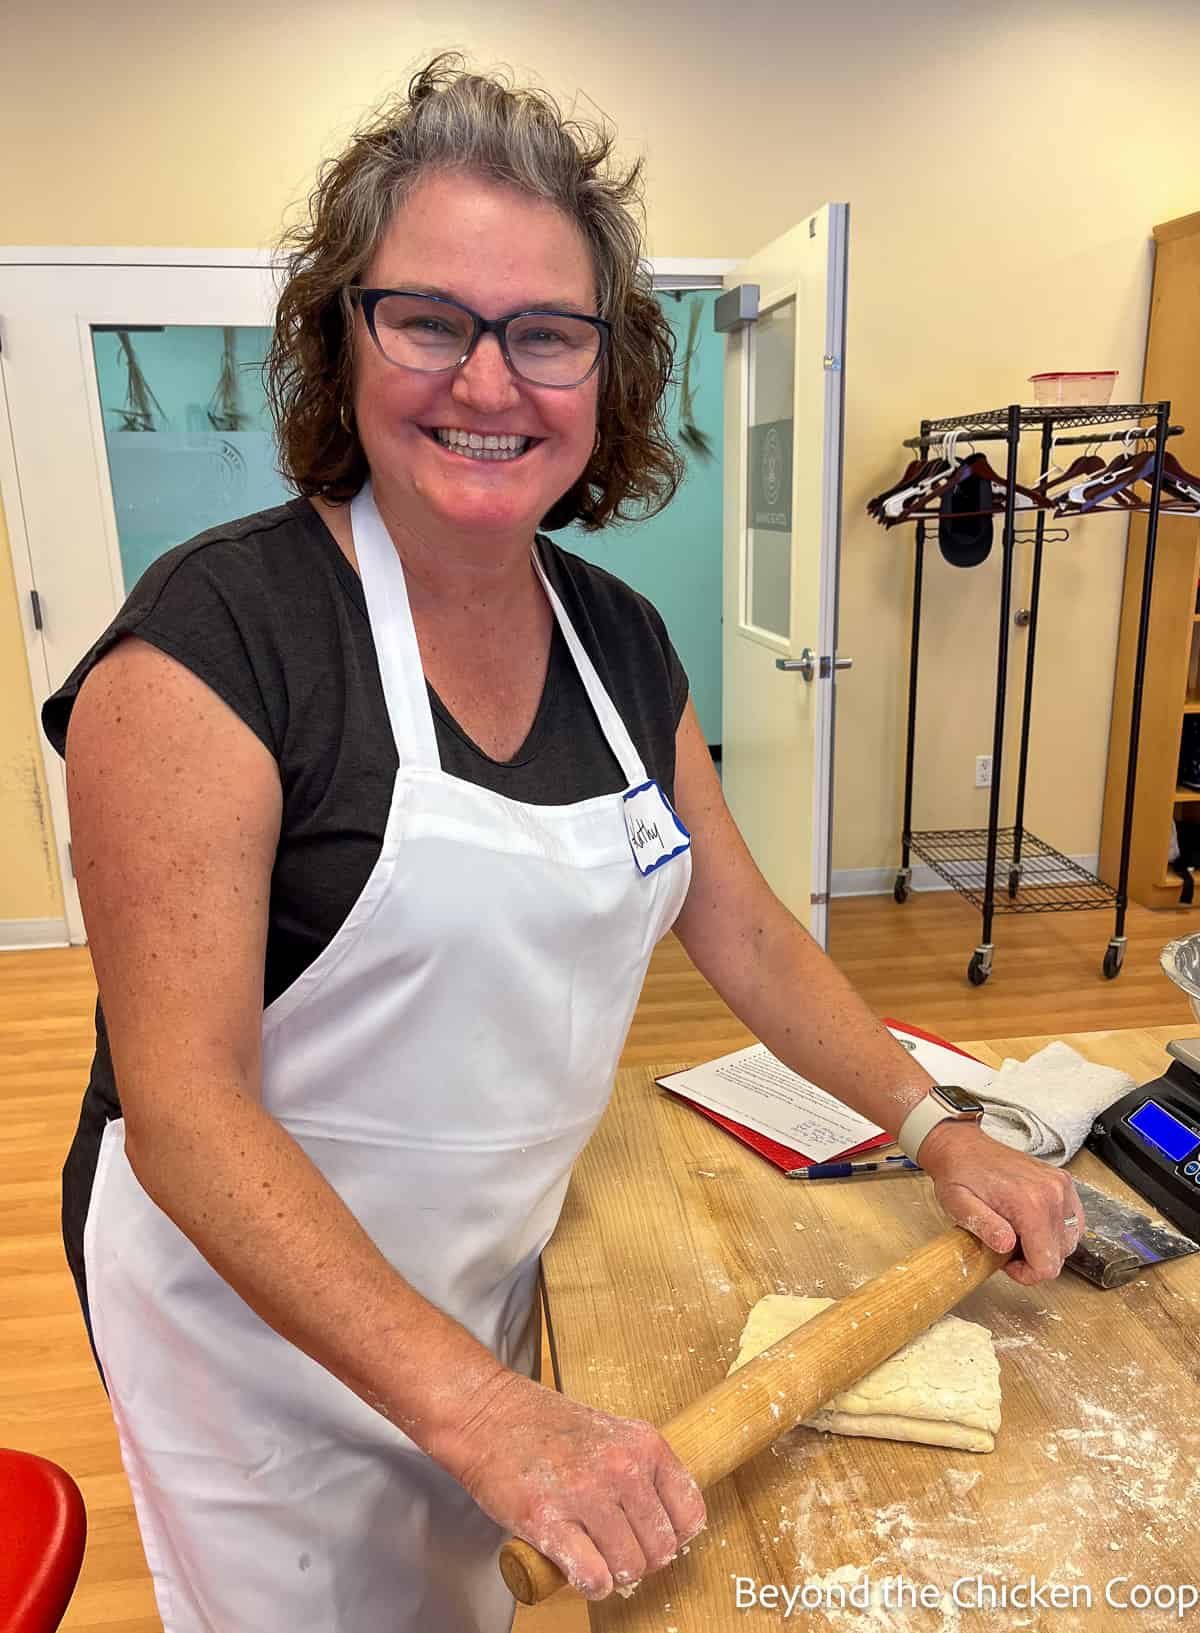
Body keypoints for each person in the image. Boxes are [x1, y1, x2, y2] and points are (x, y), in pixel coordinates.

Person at [41, 51, 1083, 1633]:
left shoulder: (618, 642)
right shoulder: (211, 646)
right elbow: (184, 1114)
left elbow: (738, 924)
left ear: (607, 377)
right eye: (428, 319)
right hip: (250, 1333)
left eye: (544, 333)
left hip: (482, 1281)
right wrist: (478, 1407)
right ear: (345, 337)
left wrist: (935, 1122)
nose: (487, 381)